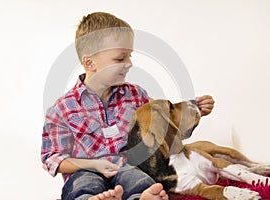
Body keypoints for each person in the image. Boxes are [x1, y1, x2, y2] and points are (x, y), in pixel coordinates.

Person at [41, 12, 214, 200]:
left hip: (130, 166)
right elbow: (52, 158)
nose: (129, 63)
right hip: (85, 171)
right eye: (120, 58)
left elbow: (163, 129)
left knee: (140, 180)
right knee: (83, 185)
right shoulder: (62, 108)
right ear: (90, 63)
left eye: (129, 56)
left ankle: (142, 197)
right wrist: (92, 165)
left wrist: (193, 111)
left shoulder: (136, 95)